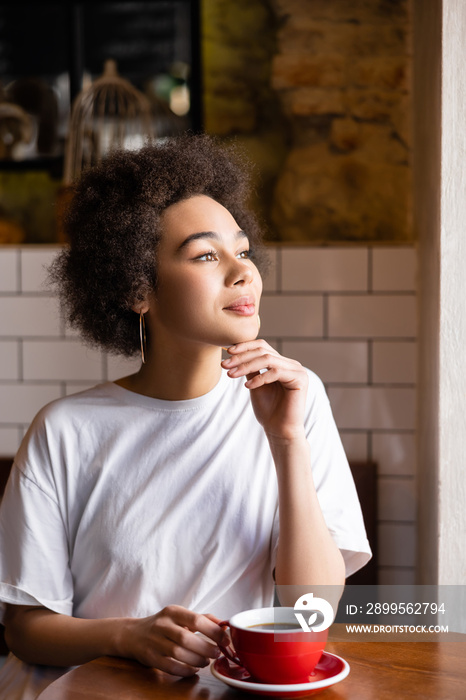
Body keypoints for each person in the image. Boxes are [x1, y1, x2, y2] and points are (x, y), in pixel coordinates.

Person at [0, 134, 371, 699]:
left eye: (242, 251)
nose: (242, 272)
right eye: (205, 254)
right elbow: (26, 631)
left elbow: (310, 613)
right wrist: (130, 636)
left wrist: (287, 438)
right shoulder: (65, 430)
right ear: (136, 288)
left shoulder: (296, 398)